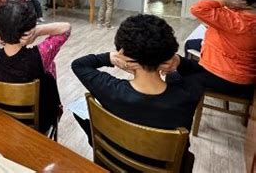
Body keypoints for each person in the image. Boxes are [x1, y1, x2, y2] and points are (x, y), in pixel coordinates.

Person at [72, 14, 202, 168]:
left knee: (78, 109)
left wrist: (109, 57)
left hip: (113, 162)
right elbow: (202, 73)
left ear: (123, 54)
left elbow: (78, 65)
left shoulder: (109, 89)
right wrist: (179, 61)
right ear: (168, 54)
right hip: (160, 169)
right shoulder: (187, 95)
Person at [0, 1, 71, 132]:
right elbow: (66, 29)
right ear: (29, 30)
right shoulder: (40, 56)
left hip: (2, 115)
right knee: (50, 69)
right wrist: (37, 31)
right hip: (37, 123)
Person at [164, 0, 256, 99]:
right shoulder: (244, 17)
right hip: (240, 76)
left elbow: (197, 8)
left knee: (174, 77)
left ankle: (174, 106)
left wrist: (222, 2)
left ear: (238, 1)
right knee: (176, 60)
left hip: (226, 77)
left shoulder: (233, 19)